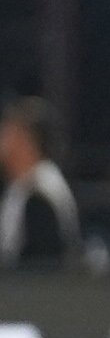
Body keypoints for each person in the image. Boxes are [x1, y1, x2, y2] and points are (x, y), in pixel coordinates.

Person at [1, 98, 83, 270]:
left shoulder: (40, 193)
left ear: (26, 140)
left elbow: (41, 267)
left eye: (9, 132)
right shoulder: (23, 186)